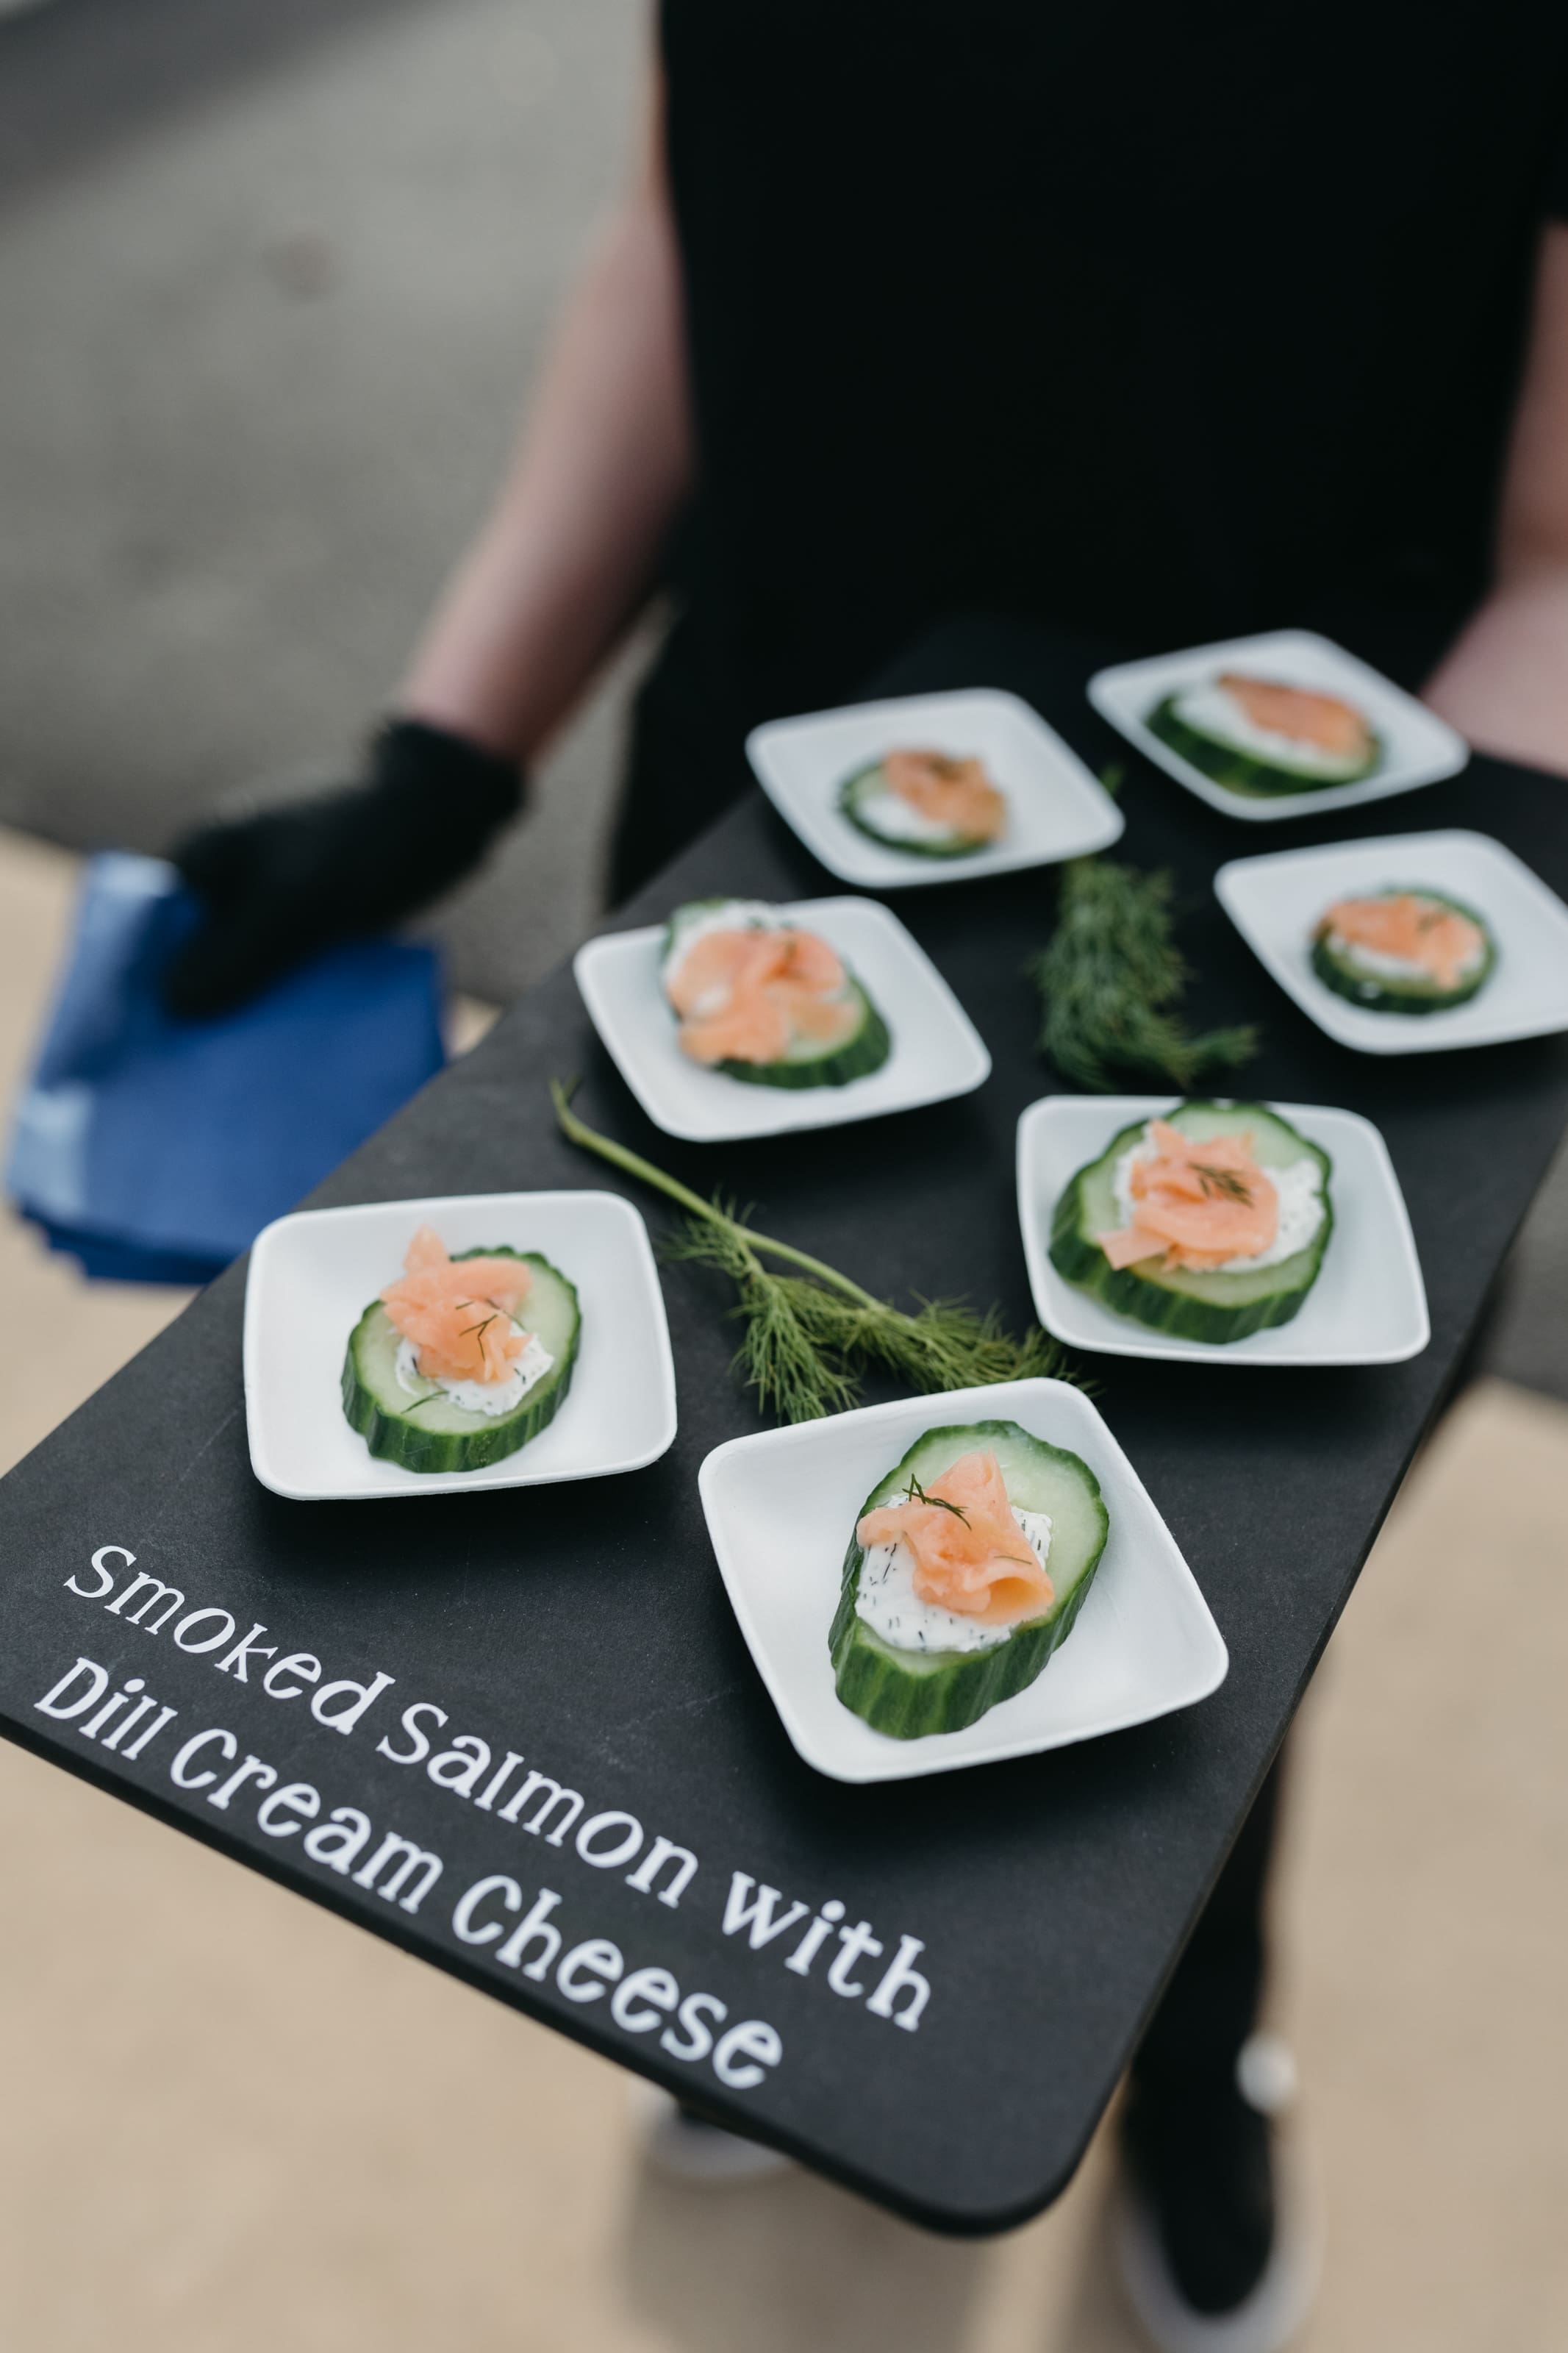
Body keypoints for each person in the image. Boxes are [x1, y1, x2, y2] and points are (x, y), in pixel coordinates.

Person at [161, 7, 1568, 2344]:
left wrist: (1361, 987)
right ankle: (758, 1957)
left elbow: (1560, 549)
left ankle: (1192, 2047)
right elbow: (681, 236)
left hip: (1279, 957)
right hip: (762, 846)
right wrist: (452, 744)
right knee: (747, 1480)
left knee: (1168, 1630)